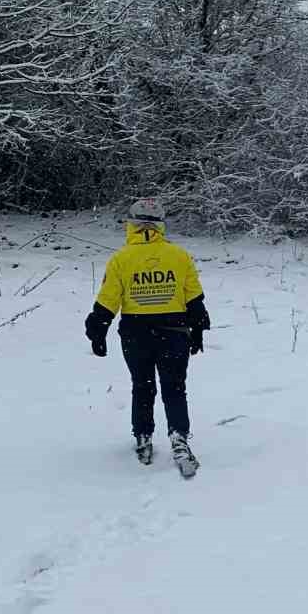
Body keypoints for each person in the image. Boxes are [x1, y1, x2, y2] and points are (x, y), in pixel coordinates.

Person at [84, 199, 212, 476]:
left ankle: (143, 437)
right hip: (175, 334)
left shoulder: (121, 259)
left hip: (136, 335)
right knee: (174, 388)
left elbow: (108, 300)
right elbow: (194, 298)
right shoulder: (179, 256)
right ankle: (179, 437)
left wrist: (98, 331)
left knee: (142, 387)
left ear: (132, 224)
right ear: (160, 225)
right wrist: (199, 328)